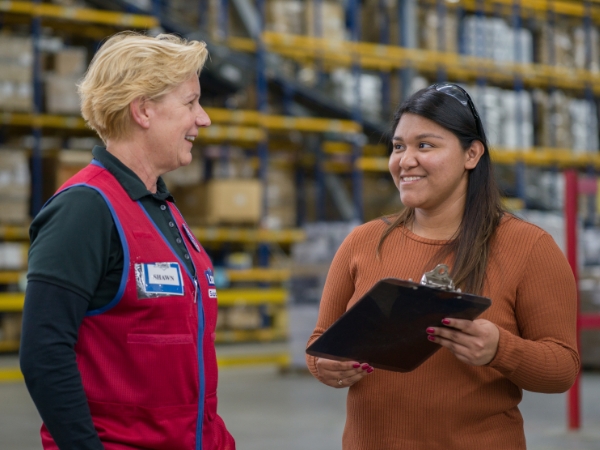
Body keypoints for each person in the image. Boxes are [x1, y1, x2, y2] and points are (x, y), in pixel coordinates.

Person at [306, 83, 579, 449]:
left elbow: (562, 368)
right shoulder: (363, 242)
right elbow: (319, 344)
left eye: (425, 145)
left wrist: (501, 349)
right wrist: (326, 366)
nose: (405, 160)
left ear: (471, 154)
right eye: (398, 146)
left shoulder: (529, 247)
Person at [20, 31, 235, 450]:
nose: (203, 118)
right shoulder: (85, 210)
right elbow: (44, 353)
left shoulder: (161, 207)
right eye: (190, 102)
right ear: (143, 110)